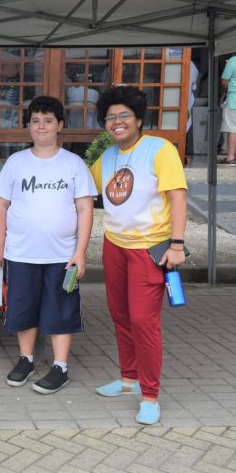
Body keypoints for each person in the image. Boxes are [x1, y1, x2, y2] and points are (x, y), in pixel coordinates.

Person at [90, 85, 188, 425]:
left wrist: (177, 244)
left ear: (138, 119)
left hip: (151, 248)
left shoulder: (160, 149)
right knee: (119, 315)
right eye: (110, 118)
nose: (117, 122)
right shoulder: (108, 157)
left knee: (144, 322)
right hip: (114, 244)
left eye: (123, 116)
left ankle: (150, 394)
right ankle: (129, 379)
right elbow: (85, 192)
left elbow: (177, 197)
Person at [0, 96, 96, 395]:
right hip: (21, 252)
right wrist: (0, 245)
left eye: (48, 120)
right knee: (24, 307)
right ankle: (26, 359)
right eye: (35, 120)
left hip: (63, 255)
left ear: (60, 125)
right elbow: (1, 206)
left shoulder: (74, 164)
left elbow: (85, 209)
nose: (42, 126)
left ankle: (60, 366)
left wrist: (81, 251)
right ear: (28, 126)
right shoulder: (16, 162)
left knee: (61, 308)